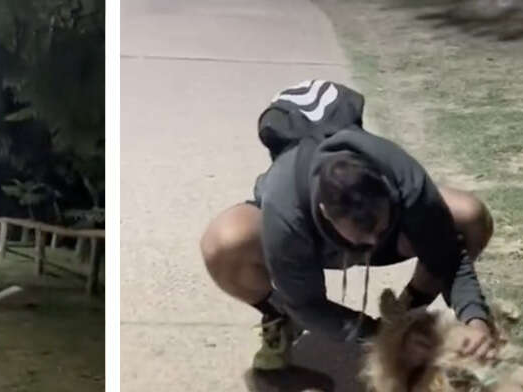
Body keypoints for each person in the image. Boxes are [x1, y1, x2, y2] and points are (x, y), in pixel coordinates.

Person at [199, 79, 499, 372]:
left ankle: (407, 310)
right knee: (223, 243)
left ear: (386, 188)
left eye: (379, 228)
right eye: (361, 237)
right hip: (310, 243)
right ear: (324, 212)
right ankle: (278, 316)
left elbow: (448, 254)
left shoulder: (401, 175)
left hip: (386, 224)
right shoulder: (286, 211)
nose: (371, 242)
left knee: (469, 215)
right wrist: (379, 337)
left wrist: (475, 319)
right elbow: (308, 304)